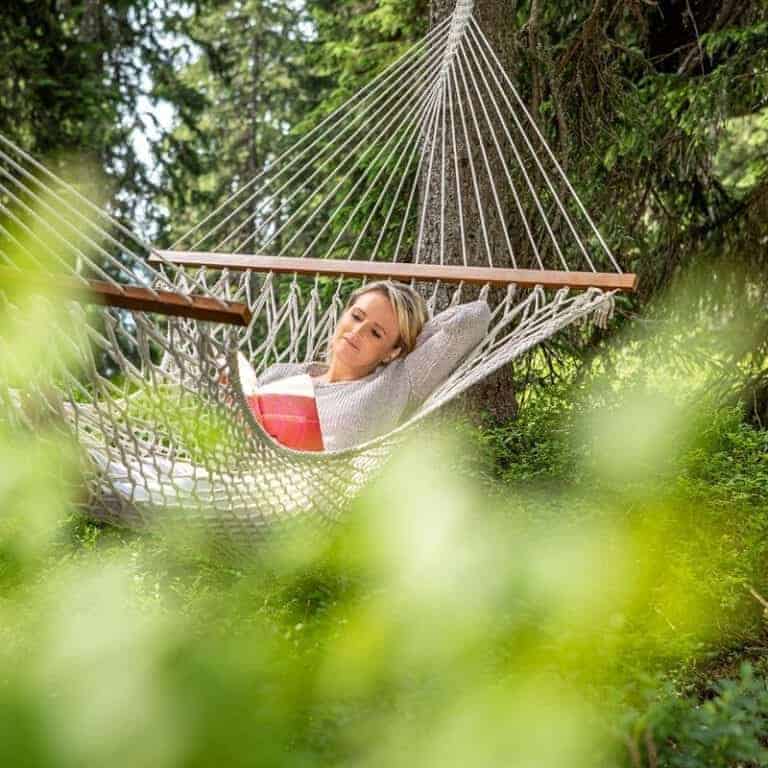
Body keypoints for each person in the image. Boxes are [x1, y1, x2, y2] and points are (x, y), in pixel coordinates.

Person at [236, 281, 491, 452]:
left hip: (295, 498)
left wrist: (409, 345)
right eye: (356, 316)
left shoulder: (393, 386)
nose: (357, 332)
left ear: (393, 351)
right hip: (235, 472)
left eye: (376, 333)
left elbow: (473, 320)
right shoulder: (281, 373)